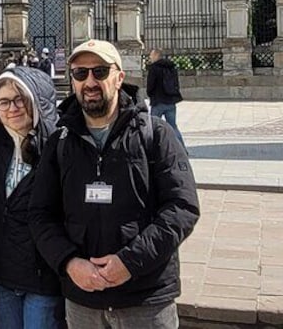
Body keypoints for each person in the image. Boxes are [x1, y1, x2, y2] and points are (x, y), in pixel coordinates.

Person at [29, 40, 199, 329]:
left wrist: (130, 262)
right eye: (80, 74)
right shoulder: (60, 141)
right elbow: (40, 214)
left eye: (100, 71)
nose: (90, 81)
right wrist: (70, 263)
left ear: (119, 77)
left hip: (145, 300)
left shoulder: (155, 134)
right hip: (84, 300)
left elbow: (182, 208)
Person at [0, 66, 64, 329]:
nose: (13, 108)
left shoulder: (59, 149)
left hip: (43, 278)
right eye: (4, 102)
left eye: (21, 99)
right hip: (2, 276)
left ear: (36, 102)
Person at [146, 48, 185, 148]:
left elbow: (150, 85)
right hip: (170, 101)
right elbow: (176, 83)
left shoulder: (154, 68)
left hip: (158, 101)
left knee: (152, 126)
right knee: (173, 126)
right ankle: (181, 148)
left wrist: (150, 94)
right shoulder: (171, 67)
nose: (150, 57)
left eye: (151, 55)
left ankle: (150, 149)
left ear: (156, 55)